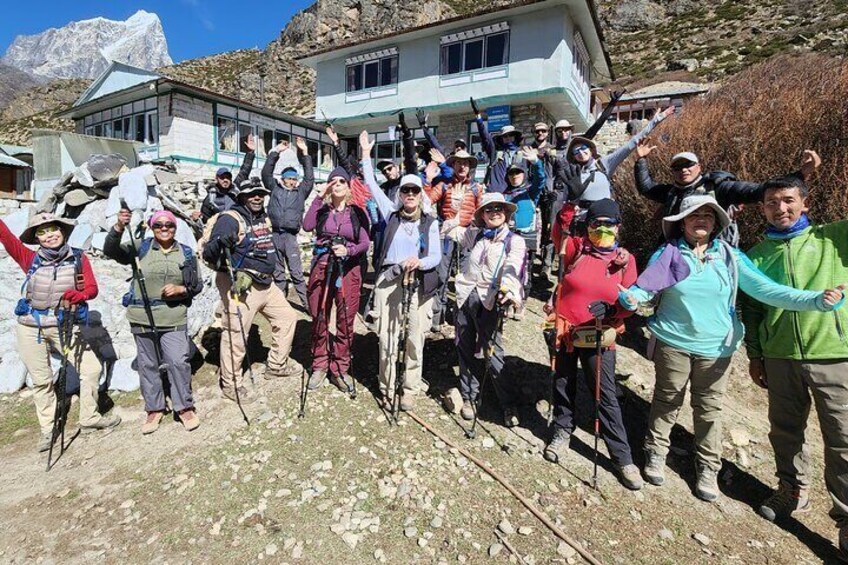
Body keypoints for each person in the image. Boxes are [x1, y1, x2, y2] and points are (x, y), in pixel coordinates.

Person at [618, 194, 844, 502]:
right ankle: (656, 451)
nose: (702, 220)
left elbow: (768, 291)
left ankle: (708, 467)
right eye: (694, 215)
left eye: (709, 216)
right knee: (667, 400)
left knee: (709, 409)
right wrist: (632, 298)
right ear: (682, 222)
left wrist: (814, 300)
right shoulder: (668, 254)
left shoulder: (730, 256)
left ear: (716, 225)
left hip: (716, 349)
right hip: (673, 342)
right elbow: (644, 289)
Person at [739, 166, 848, 556]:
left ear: (805, 203)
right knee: (784, 432)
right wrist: (755, 353)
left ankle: (846, 519)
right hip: (780, 356)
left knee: (843, 441)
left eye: (788, 200)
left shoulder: (835, 237)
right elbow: (751, 310)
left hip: (834, 355)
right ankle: (791, 490)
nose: (780, 208)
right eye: (771, 203)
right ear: (762, 210)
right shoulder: (755, 256)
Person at [1, 212, 120, 452]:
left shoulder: (78, 258)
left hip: (64, 325)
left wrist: (81, 295)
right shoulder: (29, 258)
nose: (49, 235)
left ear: (62, 231)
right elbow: (7, 238)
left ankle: (89, 418)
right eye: (42, 232)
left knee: (91, 369)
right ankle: (47, 430)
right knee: (42, 380)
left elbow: (92, 288)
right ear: (36, 238)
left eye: (53, 229)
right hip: (29, 327)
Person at [543, 199, 641, 490]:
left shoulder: (626, 260)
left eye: (608, 224)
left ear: (618, 226)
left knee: (604, 392)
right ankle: (562, 431)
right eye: (596, 223)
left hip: (599, 333)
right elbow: (559, 232)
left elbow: (633, 300)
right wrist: (569, 206)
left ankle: (622, 457)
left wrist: (612, 312)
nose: (601, 229)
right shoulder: (576, 248)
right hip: (564, 327)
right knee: (562, 383)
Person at [202, 177, 303, 404]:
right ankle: (232, 385)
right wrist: (220, 243)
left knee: (287, 318)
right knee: (236, 335)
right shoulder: (230, 219)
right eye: (252, 194)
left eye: (260, 194)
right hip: (241, 287)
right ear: (242, 197)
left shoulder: (261, 217)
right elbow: (209, 253)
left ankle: (276, 365)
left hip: (266, 285)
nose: (257, 197)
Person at [360, 131, 441, 410]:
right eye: (405, 190)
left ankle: (410, 386)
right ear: (400, 193)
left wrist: (418, 262)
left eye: (414, 191)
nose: (409, 194)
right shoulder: (389, 213)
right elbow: (370, 182)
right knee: (388, 335)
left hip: (418, 281)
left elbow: (436, 257)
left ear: (420, 195)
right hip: (389, 280)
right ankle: (386, 384)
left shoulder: (430, 222)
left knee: (416, 336)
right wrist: (365, 154)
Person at [104, 209, 203, 434]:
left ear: (175, 227)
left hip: (173, 317)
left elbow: (196, 285)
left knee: (178, 361)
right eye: (158, 225)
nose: (164, 228)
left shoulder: (186, 253)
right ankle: (154, 408)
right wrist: (119, 226)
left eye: (169, 224)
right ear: (151, 227)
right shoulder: (141, 247)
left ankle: (184, 406)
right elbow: (111, 250)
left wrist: (181, 289)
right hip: (141, 316)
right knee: (148, 364)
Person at [443, 193, 525, 427]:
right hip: (465, 298)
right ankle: (469, 397)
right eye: (489, 209)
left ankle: (508, 402)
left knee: (493, 352)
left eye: (499, 208)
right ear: (482, 215)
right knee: (464, 347)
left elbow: (513, 266)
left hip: (490, 302)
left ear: (507, 213)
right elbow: (449, 229)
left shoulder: (514, 241)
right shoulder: (476, 234)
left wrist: (508, 288)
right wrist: (457, 214)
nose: (495, 212)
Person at [633, 144, 821, 244]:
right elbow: (647, 188)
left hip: (716, 249)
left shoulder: (719, 186)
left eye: (688, 165)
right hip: (679, 249)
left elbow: (758, 190)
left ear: (699, 167)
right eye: (677, 167)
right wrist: (641, 160)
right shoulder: (671, 192)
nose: (684, 170)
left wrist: (801, 174)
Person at [303, 167, 371, 394]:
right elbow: (307, 226)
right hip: (322, 268)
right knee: (319, 316)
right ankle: (319, 365)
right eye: (334, 181)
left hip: (348, 271)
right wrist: (319, 196)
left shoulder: (357, 212)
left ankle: (340, 368)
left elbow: (364, 242)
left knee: (345, 319)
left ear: (349, 186)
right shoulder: (322, 210)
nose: (338, 184)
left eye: (342, 180)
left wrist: (349, 250)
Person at [564, 106, 675, 215]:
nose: (580, 153)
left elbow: (631, 144)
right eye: (576, 151)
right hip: (581, 220)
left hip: (604, 220)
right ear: (573, 156)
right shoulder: (573, 173)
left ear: (591, 149)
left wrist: (656, 120)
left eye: (583, 148)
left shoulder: (603, 164)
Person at [424, 149, 484, 333]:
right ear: (453, 165)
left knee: (467, 277)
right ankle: (437, 317)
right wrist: (427, 181)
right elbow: (426, 201)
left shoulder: (477, 188)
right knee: (441, 276)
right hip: (446, 236)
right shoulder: (444, 185)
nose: (462, 166)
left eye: (466, 163)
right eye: (458, 162)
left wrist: (472, 225)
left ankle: (463, 318)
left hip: (467, 236)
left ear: (470, 167)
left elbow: (483, 212)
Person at [263, 136, 314, 310]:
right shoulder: (274, 188)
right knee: (277, 273)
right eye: (289, 178)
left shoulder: (301, 192)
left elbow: (309, 178)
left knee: (296, 273)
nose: (292, 181)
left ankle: (308, 306)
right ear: (283, 178)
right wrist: (275, 152)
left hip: (290, 238)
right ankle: (280, 306)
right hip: (275, 235)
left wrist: (305, 152)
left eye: (294, 178)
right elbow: (266, 173)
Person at [502, 147, 546, 301]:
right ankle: (507, 299)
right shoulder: (504, 194)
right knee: (507, 268)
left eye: (518, 172)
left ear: (524, 174)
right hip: (509, 236)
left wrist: (536, 162)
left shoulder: (530, 191)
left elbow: (541, 179)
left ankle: (523, 300)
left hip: (528, 236)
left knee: (525, 269)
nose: (514, 176)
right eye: (511, 173)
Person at [198, 135, 256, 222]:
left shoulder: (236, 191)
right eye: (222, 177)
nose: (225, 180)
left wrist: (250, 152)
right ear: (217, 179)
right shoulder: (210, 198)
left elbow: (245, 170)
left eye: (228, 177)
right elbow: (206, 219)